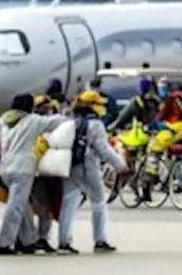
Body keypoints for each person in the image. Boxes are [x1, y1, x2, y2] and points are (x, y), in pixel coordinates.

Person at [0, 93, 70, 255]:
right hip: (23, 169)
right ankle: (5, 243)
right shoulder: (32, 120)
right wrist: (67, 114)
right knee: (15, 207)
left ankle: (28, 241)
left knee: (22, 207)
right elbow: (56, 122)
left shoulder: (3, 120)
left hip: (5, 168)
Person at [58, 91, 126, 254]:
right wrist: (119, 165)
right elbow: (102, 148)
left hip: (70, 163)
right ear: (92, 106)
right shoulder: (95, 124)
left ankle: (63, 242)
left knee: (69, 202)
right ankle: (100, 240)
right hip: (88, 164)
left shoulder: (70, 120)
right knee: (98, 202)